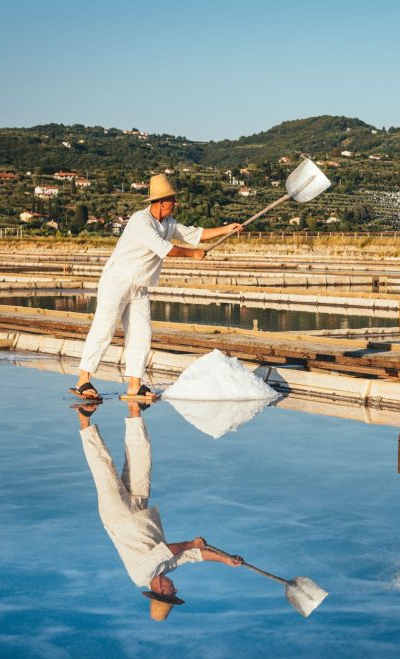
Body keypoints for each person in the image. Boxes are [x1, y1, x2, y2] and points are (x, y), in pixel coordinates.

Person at [73, 174, 242, 400]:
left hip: (140, 284)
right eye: (172, 200)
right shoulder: (140, 220)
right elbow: (164, 248)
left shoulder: (169, 223)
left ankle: (135, 384)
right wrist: (192, 254)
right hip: (117, 281)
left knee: (142, 334)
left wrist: (226, 229)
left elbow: (195, 234)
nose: (175, 204)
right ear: (160, 202)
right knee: (104, 329)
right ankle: (84, 380)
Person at [76, 400, 243, 622]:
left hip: (118, 517)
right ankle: (134, 411)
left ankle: (84, 420)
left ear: (162, 591)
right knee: (141, 459)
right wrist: (226, 560)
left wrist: (191, 543)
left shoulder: (141, 575)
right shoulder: (165, 568)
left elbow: (168, 549)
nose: (175, 588)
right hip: (140, 510)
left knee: (104, 468)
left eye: (173, 592)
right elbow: (195, 556)